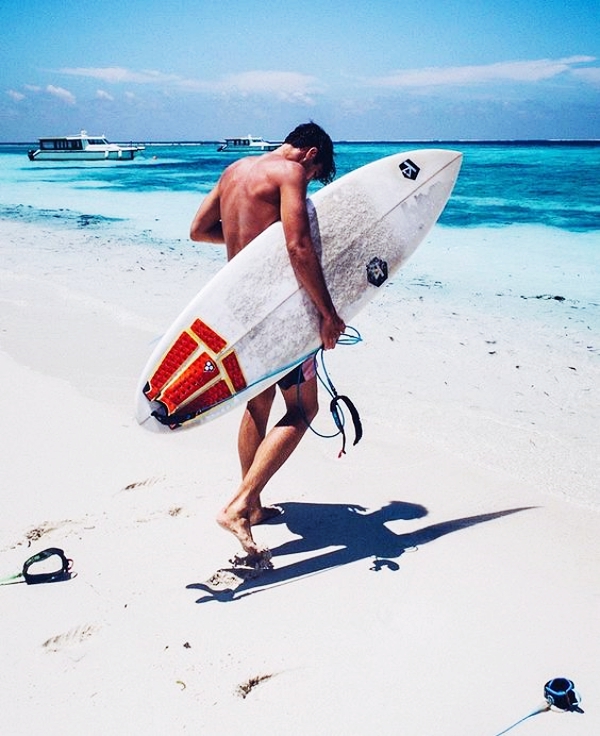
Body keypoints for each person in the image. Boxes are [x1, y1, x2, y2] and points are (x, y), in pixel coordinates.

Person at [190, 122, 346, 565]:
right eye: (316, 174)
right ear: (310, 153)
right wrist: (328, 314)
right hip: (280, 313)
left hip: (239, 309)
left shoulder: (235, 170)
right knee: (303, 409)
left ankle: (252, 504)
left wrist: (253, 246)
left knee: (257, 405)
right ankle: (240, 505)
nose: (310, 182)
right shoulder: (288, 174)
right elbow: (298, 246)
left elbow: (199, 231)